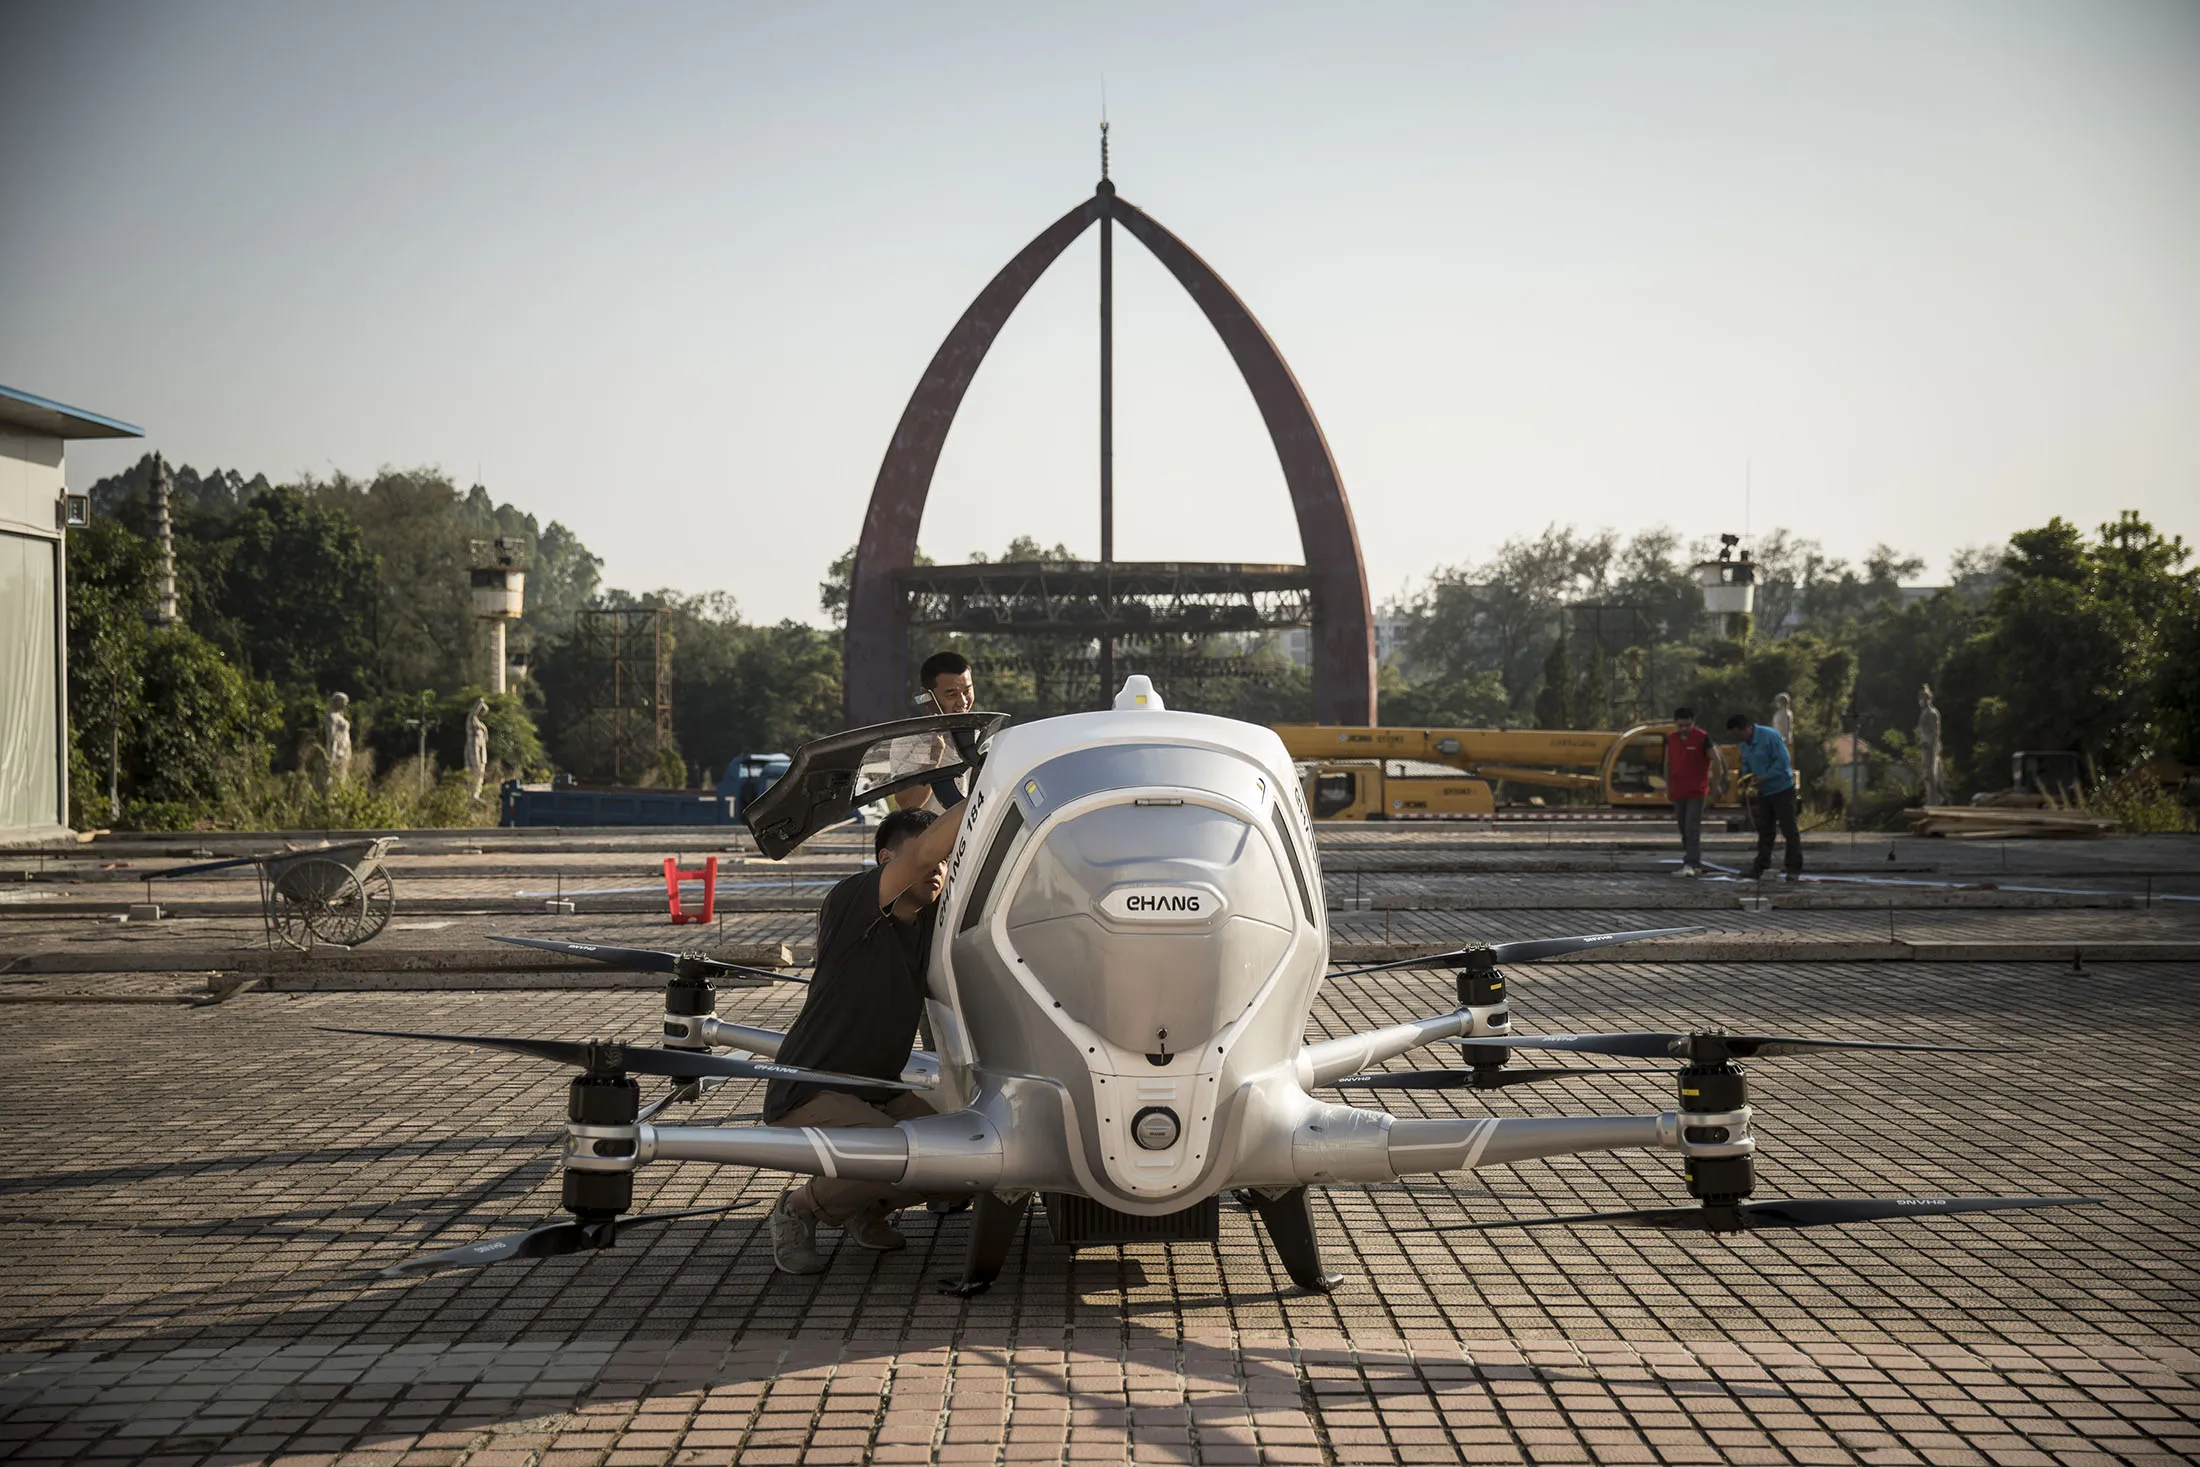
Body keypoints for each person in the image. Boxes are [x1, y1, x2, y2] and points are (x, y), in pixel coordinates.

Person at [765, 803, 967, 1274]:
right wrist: (991, 777)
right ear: (884, 862)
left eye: (945, 864)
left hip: (875, 1091)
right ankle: (798, 1209)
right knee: (897, 1152)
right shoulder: (854, 903)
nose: (938, 870)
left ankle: (865, 1208)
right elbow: (922, 852)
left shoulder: (929, 924)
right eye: (929, 860)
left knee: (963, 1154)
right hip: (810, 1085)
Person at [897, 650, 978, 812]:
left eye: (967, 691)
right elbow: (908, 805)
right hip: (929, 835)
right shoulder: (908, 741)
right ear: (927, 697)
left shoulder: (983, 737)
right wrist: (933, 756)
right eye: (951, 694)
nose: (962, 702)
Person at [1726, 711, 1802, 881]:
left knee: (1789, 830)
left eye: (1738, 734)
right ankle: (1760, 867)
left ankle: (1793, 869)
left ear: (1746, 728)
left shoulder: (1770, 736)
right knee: (1765, 831)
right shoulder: (1744, 744)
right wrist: (1746, 778)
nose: (1738, 739)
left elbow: (1783, 761)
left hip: (1782, 790)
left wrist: (1765, 776)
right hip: (1764, 792)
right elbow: (1746, 764)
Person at [1664, 706, 1715, 876]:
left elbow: (1715, 760)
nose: (1684, 729)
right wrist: (1668, 787)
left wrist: (1716, 783)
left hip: (1696, 791)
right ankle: (1691, 859)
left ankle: (1692, 863)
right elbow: (1667, 764)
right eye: (1681, 726)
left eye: (1687, 725)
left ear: (1693, 722)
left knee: (1692, 827)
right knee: (1683, 828)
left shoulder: (1702, 737)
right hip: (1678, 791)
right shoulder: (1671, 739)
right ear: (1675, 724)